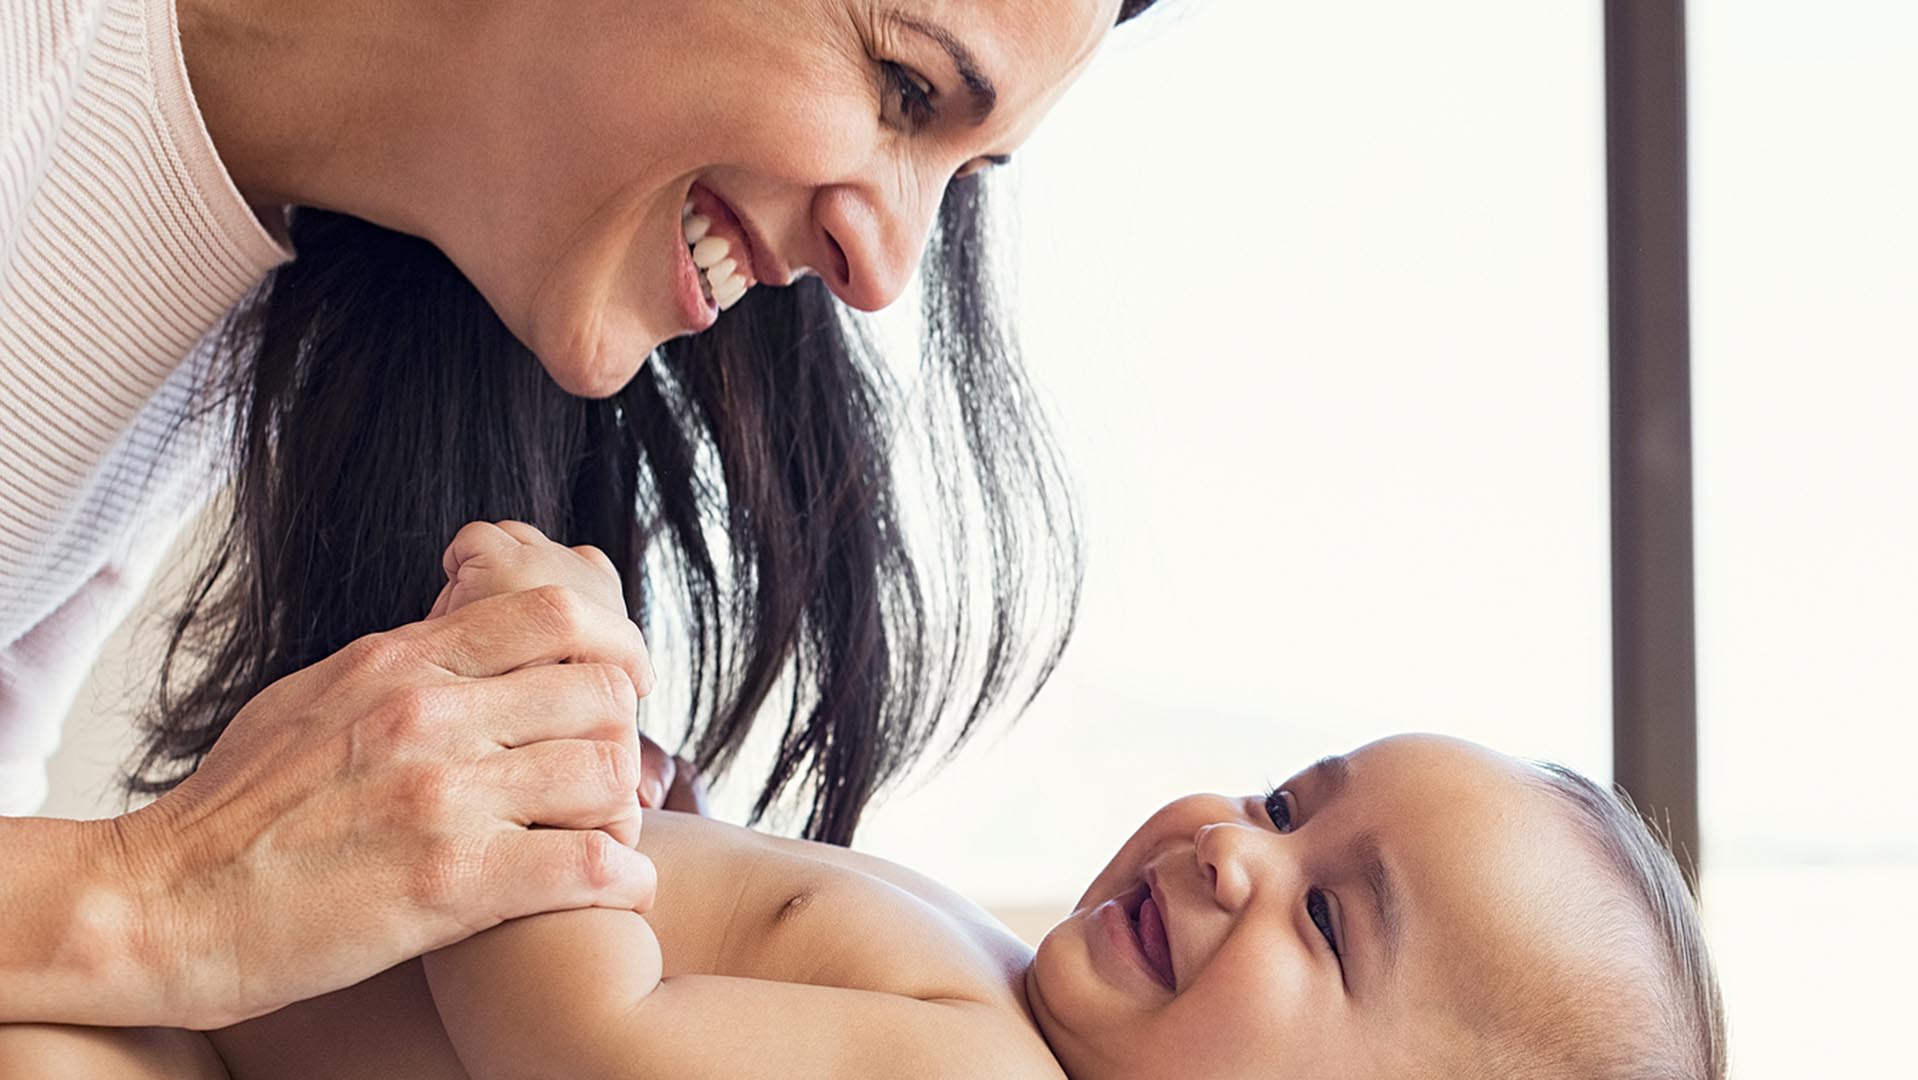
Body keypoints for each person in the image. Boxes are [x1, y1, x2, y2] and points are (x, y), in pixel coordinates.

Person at [0, 0, 1158, 1029]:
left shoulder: (229, 292)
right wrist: (166, 898)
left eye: (962, 175)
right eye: (904, 87)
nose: (888, 271)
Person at [0, 520, 1730, 1077]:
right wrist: (663, 817)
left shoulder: (973, 1071)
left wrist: (544, 741)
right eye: (1288, 802)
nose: (1232, 850)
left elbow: (586, 1050)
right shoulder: (987, 984)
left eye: (1329, 917)